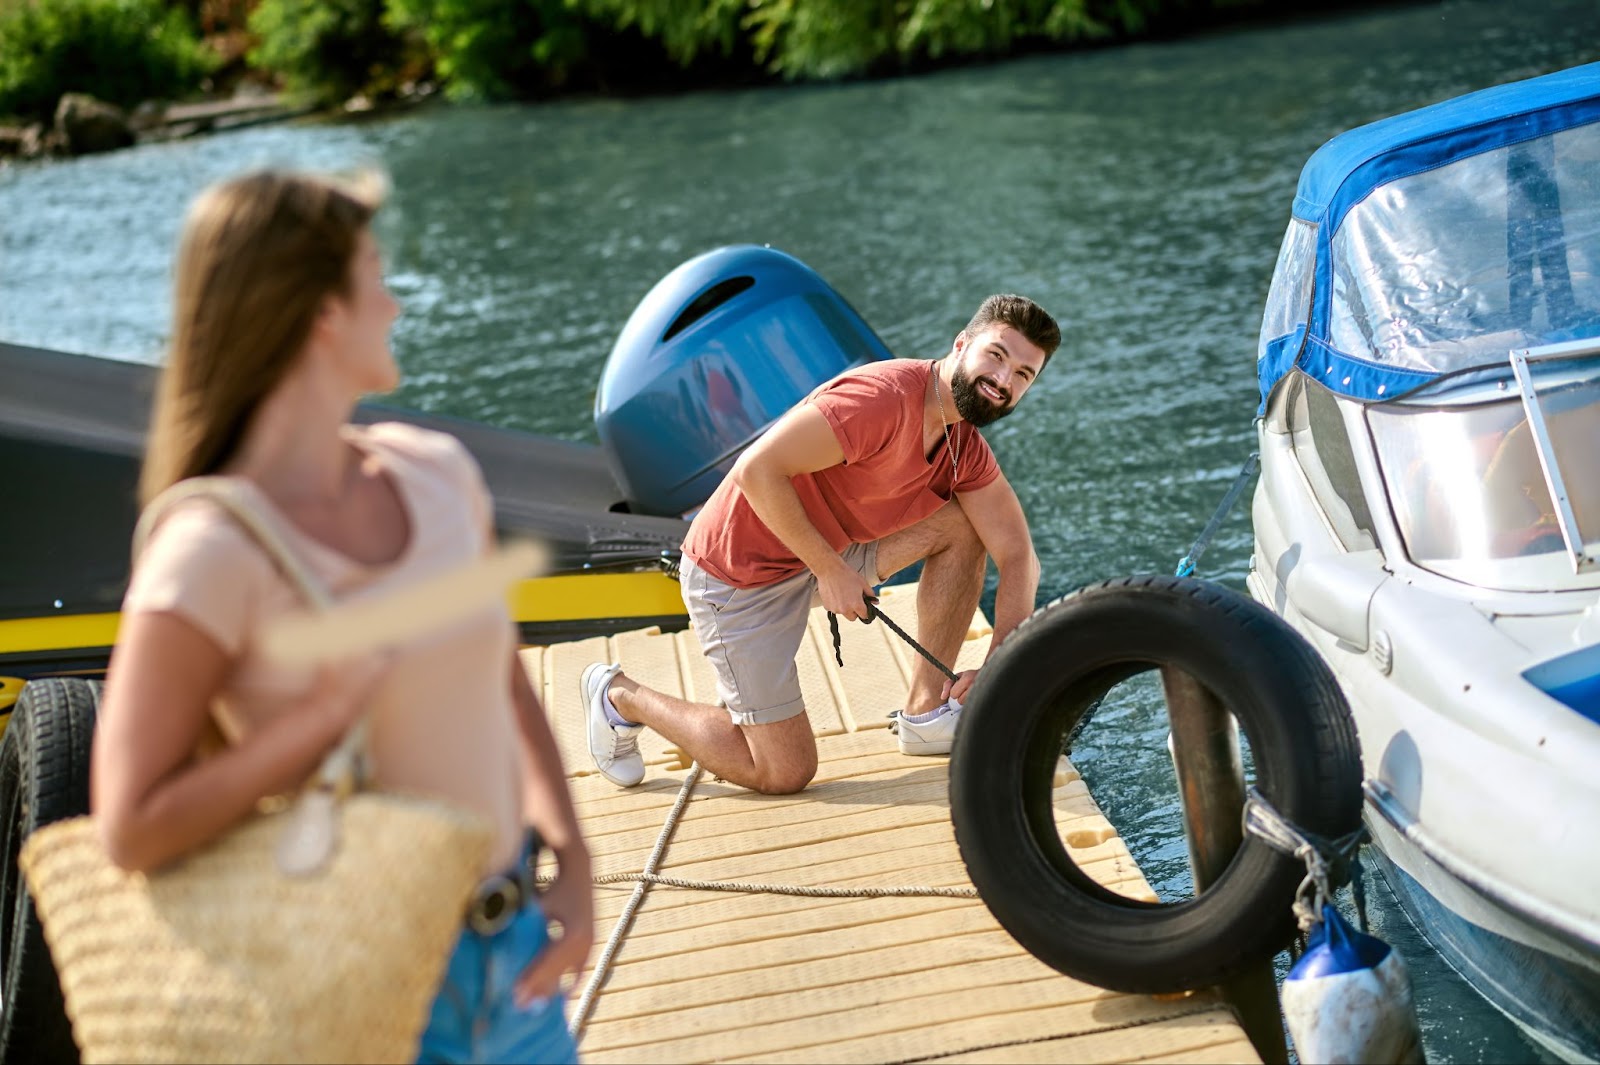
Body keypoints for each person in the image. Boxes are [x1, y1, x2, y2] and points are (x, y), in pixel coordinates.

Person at [90, 169, 593, 1064]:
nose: (394, 302)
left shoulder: (437, 473)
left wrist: (574, 855)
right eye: (374, 273)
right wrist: (317, 721)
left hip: (514, 956)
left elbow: (504, 680)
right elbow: (129, 823)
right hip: (353, 986)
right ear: (323, 313)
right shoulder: (208, 551)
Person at [583, 295, 1060, 794]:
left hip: (823, 554)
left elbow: (1018, 555)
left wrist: (999, 663)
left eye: (1024, 374)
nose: (1004, 380)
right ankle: (618, 696)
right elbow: (756, 470)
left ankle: (927, 713)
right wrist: (831, 571)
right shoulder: (879, 399)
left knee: (964, 526)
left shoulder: (963, 447)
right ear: (961, 344)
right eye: (997, 355)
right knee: (782, 772)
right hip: (738, 576)